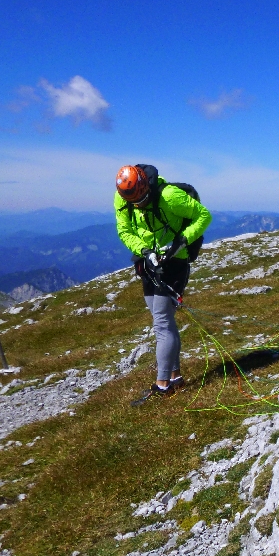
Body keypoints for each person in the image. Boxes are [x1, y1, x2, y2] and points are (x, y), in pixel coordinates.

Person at [114, 164, 212, 404]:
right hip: (149, 262)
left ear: (144, 185)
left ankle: (162, 385)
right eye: (131, 199)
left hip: (175, 261)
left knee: (161, 323)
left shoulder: (169, 196)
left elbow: (203, 216)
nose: (136, 203)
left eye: (139, 197)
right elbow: (124, 230)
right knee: (163, 320)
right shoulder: (122, 199)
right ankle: (175, 378)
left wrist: (181, 241)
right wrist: (145, 251)